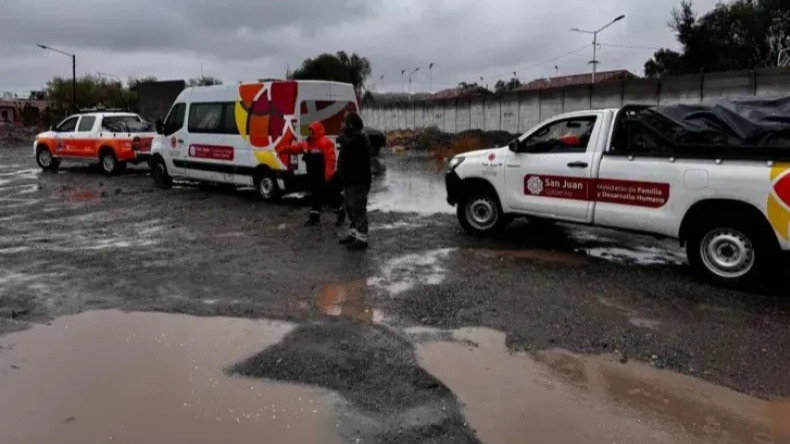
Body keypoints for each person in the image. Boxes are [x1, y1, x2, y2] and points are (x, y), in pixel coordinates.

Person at [281, 121, 344, 226]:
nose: (310, 132)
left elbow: (330, 159)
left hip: (322, 176)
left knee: (331, 197)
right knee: (315, 197)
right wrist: (284, 149)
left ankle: (340, 213)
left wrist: (328, 174)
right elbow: (297, 148)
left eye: (311, 130)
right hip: (313, 175)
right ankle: (314, 218)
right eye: (309, 130)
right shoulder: (307, 143)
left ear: (317, 131)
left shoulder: (324, 142)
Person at [335, 111, 372, 250]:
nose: (341, 124)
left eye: (344, 121)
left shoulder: (359, 139)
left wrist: (346, 142)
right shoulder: (351, 138)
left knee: (357, 208)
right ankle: (353, 233)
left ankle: (361, 239)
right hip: (349, 180)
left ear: (350, 124)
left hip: (358, 181)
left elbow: (355, 159)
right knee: (349, 208)